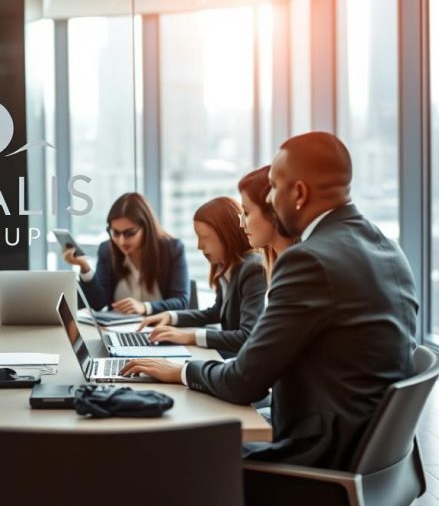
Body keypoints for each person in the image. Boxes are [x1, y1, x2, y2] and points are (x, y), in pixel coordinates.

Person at [120, 132, 418, 470]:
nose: (272, 200)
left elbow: (243, 382)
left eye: (275, 187)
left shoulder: (309, 259)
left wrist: (181, 371)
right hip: (372, 451)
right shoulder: (387, 247)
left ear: (299, 193)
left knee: (170, 453)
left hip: (319, 454)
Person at [138, 197, 266, 357]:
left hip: (242, 363)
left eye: (204, 238)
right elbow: (215, 312)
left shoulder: (253, 268)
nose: (199, 246)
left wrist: (189, 337)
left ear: (226, 234)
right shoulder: (226, 266)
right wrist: (170, 317)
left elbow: (247, 336)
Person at [63, 192, 190, 315]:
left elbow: (181, 302)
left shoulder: (173, 249)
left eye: (130, 233)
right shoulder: (107, 250)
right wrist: (84, 266)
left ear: (147, 227)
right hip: (117, 330)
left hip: (159, 330)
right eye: (115, 233)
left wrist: (145, 307)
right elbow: (98, 303)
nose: (121, 241)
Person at [238, 165, 297, 279]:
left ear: (272, 211)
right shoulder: (278, 266)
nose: (241, 224)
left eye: (246, 213)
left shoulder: (297, 270)